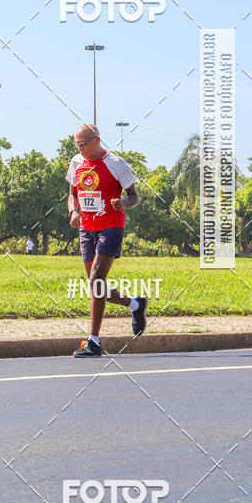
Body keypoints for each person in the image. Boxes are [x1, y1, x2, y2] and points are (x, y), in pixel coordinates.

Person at [66, 124, 147, 358]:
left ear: (97, 140)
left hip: (111, 226)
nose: (80, 148)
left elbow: (135, 197)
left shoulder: (116, 165)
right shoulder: (76, 163)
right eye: (77, 144)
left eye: (84, 144)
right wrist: (73, 212)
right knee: (95, 287)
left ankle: (93, 341)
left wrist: (122, 204)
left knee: (95, 281)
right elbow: (72, 194)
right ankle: (135, 305)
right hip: (86, 229)